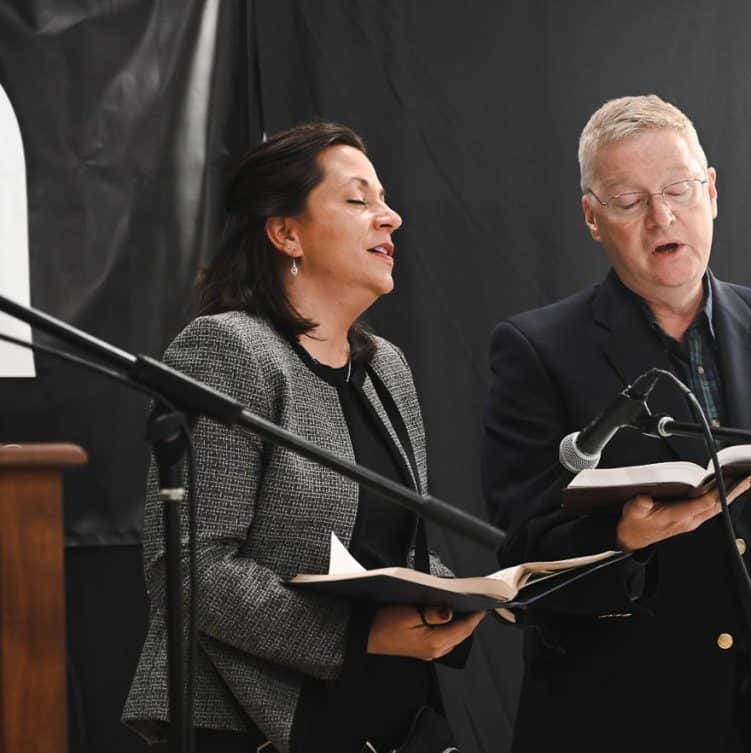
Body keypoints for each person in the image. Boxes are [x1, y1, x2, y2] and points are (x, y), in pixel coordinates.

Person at [482, 95, 751, 752]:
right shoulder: (537, 350)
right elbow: (521, 549)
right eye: (629, 201)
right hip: (618, 718)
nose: (662, 216)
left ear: (712, 191)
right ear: (593, 218)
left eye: (679, 189)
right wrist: (624, 536)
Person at [123, 122, 485, 753]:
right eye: (358, 200)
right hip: (251, 722)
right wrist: (361, 636)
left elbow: (383, 548)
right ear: (286, 232)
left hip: (390, 713)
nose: (390, 218)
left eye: (384, 199)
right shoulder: (229, 349)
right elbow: (186, 568)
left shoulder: (385, 368)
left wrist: (460, 593)